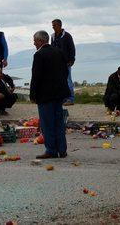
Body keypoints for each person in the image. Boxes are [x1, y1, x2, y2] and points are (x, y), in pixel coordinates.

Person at [29, 30, 70, 159]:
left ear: (41, 41)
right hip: (59, 94)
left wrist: (33, 95)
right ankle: (62, 150)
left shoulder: (39, 55)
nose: (34, 43)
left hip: (45, 95)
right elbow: (65, 72)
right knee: (58, 122)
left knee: (47, 124)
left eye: (35, 41)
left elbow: (36, 77)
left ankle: (51, 150)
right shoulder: (59, 52)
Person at [51, 19, 76, 106]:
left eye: (54, 25)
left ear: (59, 25)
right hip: (57, 63)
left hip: (66, 62)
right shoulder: (53, 36)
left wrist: (72, 60)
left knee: (68, 80)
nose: (53, 27)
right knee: (60, 81)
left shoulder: (67, 36)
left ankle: (71, 98)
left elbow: (72, 48)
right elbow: (52, 49)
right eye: (52, 25)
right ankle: (63, 98)